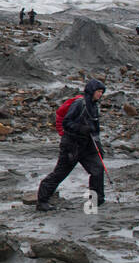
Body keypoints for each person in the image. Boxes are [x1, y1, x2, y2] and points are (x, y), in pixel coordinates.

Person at [36, 78, 106, 212]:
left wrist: (98, 147)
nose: (100, 94)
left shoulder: (94, 105)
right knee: (60, 173)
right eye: (98, 91)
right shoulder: (79, 104)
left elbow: (95, 130)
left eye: (102, 92)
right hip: (72, 145)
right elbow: (66, 123)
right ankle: (42, 201)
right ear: (91, 91)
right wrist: (81, 128)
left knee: (97, 169)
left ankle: (97, 200)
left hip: (88, 145)